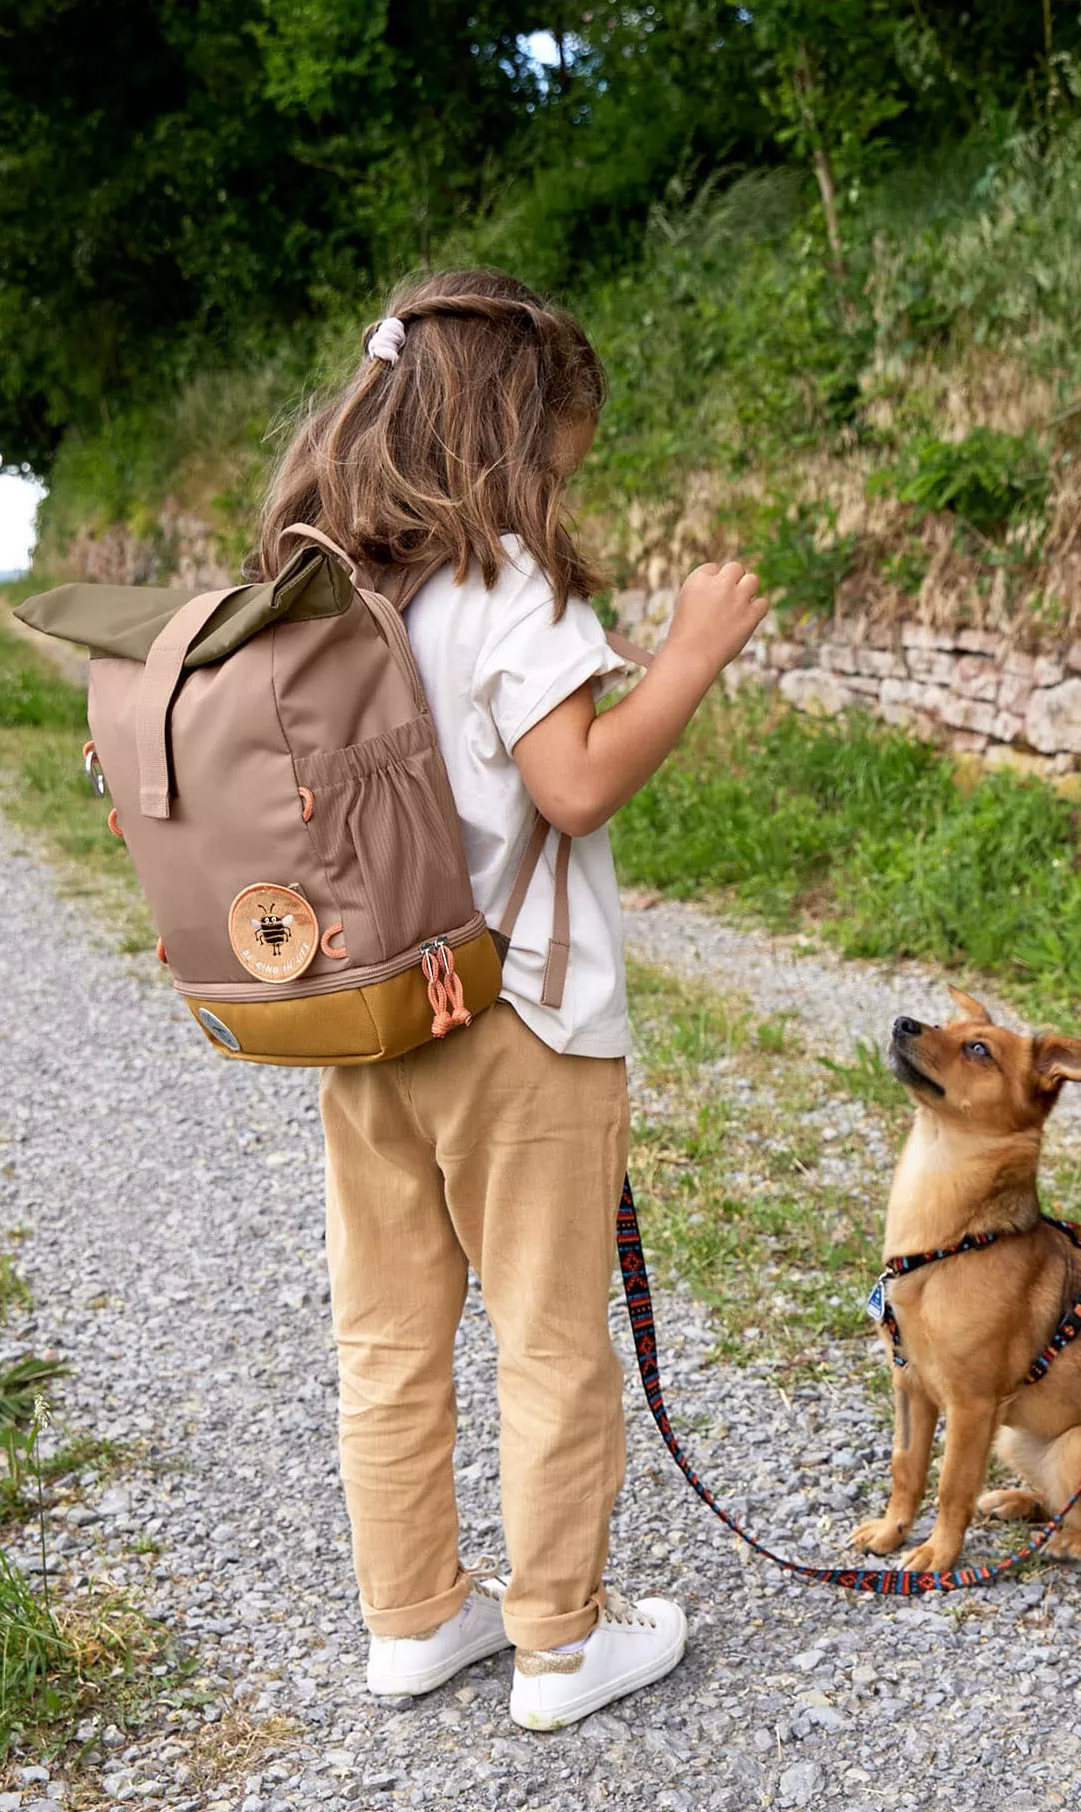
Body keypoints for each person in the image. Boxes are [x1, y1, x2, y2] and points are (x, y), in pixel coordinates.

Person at [256, 269, 768, 1729]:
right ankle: (559, 1640)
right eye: (559, 454)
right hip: (515, 1018)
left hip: (366, 1019)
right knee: (548, 1334)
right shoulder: (498, 584)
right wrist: (686, 658)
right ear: (509, 435)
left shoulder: (322, 582)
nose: (561, 483)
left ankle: (414, 1619)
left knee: (390, 1335)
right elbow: (577, 781)